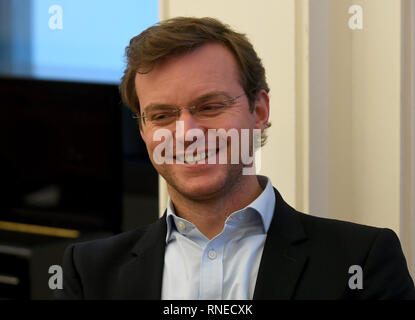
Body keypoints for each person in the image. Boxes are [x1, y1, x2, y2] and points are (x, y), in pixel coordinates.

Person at [56, 16, 415, 300]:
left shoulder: (362, 261)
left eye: (210, 106)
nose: (187, 133)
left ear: (259, 110)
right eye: (162, 115)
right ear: (144, 132)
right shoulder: (89, 273)